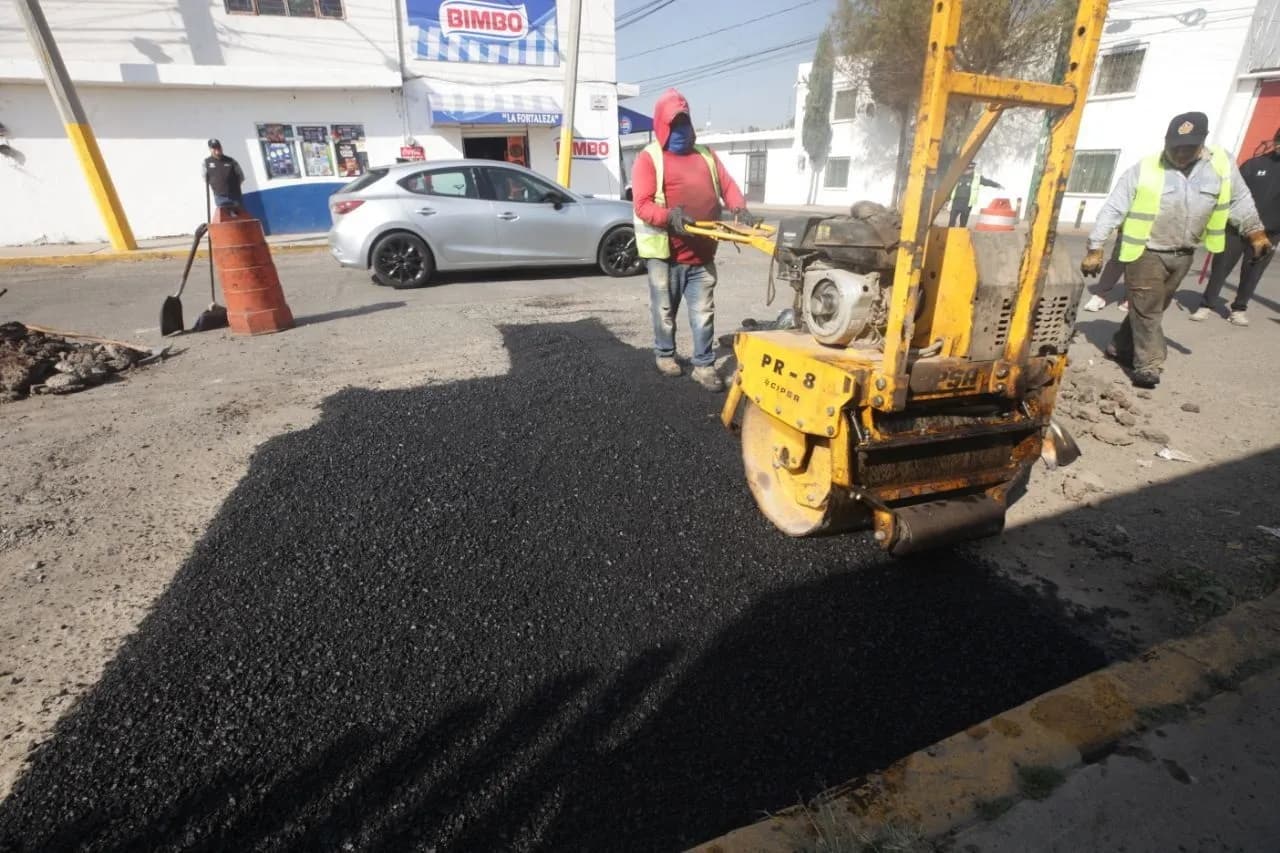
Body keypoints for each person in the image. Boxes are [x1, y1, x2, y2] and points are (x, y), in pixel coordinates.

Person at [1081, 111, 1271, 389]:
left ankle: (1120, 346)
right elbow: (1114, 207)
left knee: (1153, 307)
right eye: (1175, 146)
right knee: (1147, 309)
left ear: (1202, 144)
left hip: (1183, 253)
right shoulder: (1145, 168)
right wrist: (1095, 247)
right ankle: (1149, 363)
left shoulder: (1221, 166)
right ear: (1166, 141)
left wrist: (1255, 232)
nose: (1180, 153)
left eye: (1188, 147)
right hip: (1144, 251)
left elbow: (1239, 200)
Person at [632, 88, 747, 392]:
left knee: (703, 313)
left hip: (702, 255)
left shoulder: (707, 155)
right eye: (674, 123)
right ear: (661, 125)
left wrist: (740, 208)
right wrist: (670, 216)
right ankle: (665, 354)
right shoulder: (649, 158)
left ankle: (704, 365)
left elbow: (728, 185)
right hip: (665, 255)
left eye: (684, 122)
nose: (681, 129)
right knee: (664, 310)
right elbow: (642, 205)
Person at [1190, 127, 1280, 326]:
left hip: (1268, 233)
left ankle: (1239, 309)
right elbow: (1232, 191)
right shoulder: (1254, 164)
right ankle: (1206, 305)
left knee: (1253, 272)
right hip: (1236, 228)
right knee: (1221, 267)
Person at [948, 162, 1002, 227]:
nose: (966, 171)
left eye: (968, 169)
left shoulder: (977, 177)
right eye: (965, 169)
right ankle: (949, 233)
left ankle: (960, 233)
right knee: (952, 219)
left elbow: (987, 182)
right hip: (956, 201)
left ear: (972, 169)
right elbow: (948, 185)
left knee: (963, 221)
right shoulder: (957, 175)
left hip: (967, 203)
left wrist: (997, 185)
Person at [203, 139, 245, 217]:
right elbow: (205, 178)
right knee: (225, 220)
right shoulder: (206, 162)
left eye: (218, 147)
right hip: (220, 198)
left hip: (235, 197)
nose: (217, 150)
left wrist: (233, 187)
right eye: (214, 148)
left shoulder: (231, 161)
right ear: (210, 149)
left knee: (239, 219)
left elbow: (241, 177)